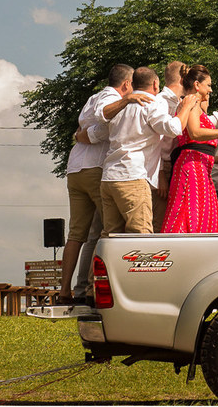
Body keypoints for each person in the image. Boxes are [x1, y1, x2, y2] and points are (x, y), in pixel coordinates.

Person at [56, 64, 150, 304]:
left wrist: (80, 135)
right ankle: (91, 290)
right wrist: (127, 101)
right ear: (127, 84)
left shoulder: (93, 97)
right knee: (105, 231)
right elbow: (102, 120)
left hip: (75, 169)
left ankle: (66, 291)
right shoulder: (111, 98)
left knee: (77, 234)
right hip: (96, 168)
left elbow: (86, 127)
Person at [99, 67, 193, 235]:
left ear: (133, 84)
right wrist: (186, 107)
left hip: (109, 178)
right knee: (141, 234)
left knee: (111, 235)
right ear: (156, 84)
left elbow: (102, 116)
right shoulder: (150, 103)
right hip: (132, 177)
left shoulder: (119, 106)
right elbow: (173, 128)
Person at [161, 66, 218, 234]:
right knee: (190, 215)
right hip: (192, 166)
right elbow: (195, 133)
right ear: (197, 85)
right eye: (208, 85)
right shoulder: (191, 103)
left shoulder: (196, 105)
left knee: (202, 216)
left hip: (201, 167)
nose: (211, 89)